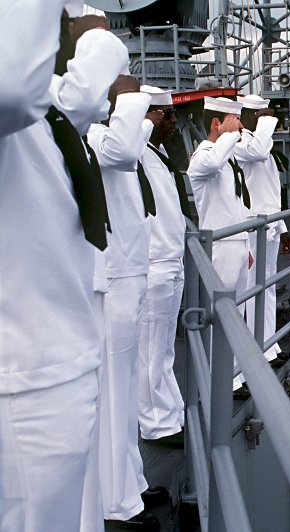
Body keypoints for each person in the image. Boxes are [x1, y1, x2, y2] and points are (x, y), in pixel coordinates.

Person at [0, 6, 128, 531]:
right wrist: (93, 35)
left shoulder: (47, 109)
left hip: (57, 367)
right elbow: (14, 85)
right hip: (26, 383)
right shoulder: (18, 95)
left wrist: (93, 38)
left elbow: (71, 99)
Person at [87, 73, 161, 526]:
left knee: (126, 384)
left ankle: (129, 484)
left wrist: (136, 107)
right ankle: (114, 503)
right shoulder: (98, 135)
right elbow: (125, 151)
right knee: (113, 392)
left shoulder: (117, 133)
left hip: (131, 272)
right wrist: (129, 96)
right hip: (114, 277)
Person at [137, 85, 188, 449]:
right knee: (152, 348)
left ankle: (169, 414)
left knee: (163, 347)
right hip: (154, 261)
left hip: (171, 258)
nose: (175, 121)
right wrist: (142, 116)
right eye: (167, 114)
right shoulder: (136, 148)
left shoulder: (157, 152)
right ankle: (156, 423)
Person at [234, 94, 290, 362]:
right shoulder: (240, 141)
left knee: (266, 287)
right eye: (261, 116)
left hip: (268, 225)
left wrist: (282, 228)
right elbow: (256, 152)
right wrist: (266, 122)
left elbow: (270, 192)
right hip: (250, 227)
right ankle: (249, 354)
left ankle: (267, 346)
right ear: (248, 116)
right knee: (249, 292)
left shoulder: (261, 142)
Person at [187, 96, 250, 303]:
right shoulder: (203, 156)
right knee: (220, 311)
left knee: (238, 311)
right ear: (216, 123)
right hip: (221, 245)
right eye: (235, 119)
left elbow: (235, 204)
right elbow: (212, 163)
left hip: (237, 243)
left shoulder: (227, 156)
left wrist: (246, 246)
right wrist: (230, 135)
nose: (240, 126)